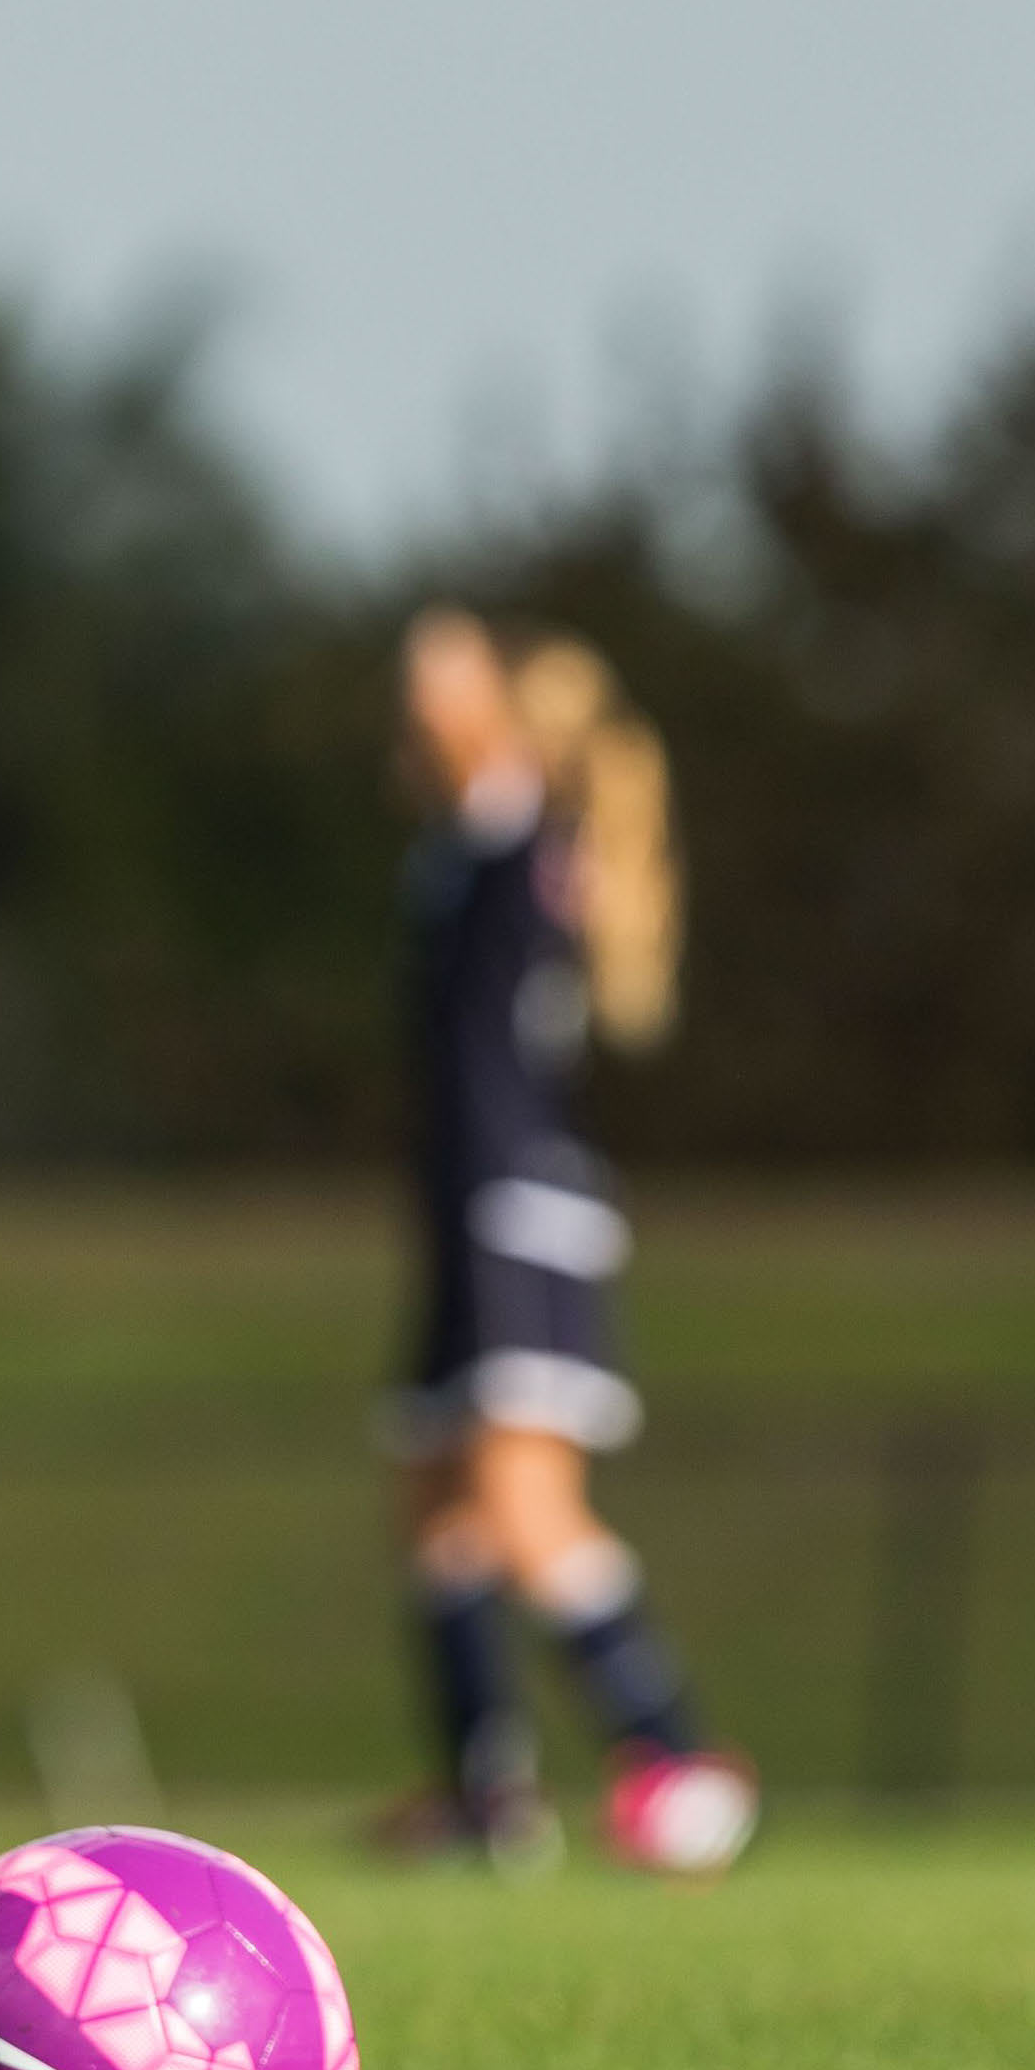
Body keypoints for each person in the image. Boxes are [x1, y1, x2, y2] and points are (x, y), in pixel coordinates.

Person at [372, 609, 758, 1876]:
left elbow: (477, 750)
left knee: (526, 1510)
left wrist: (452, 678)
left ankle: (678, 1759)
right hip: (464, 1218)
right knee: (437, 1513)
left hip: (513, 1217)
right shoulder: (464, 854)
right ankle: (486, 1795)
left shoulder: (521, 836)